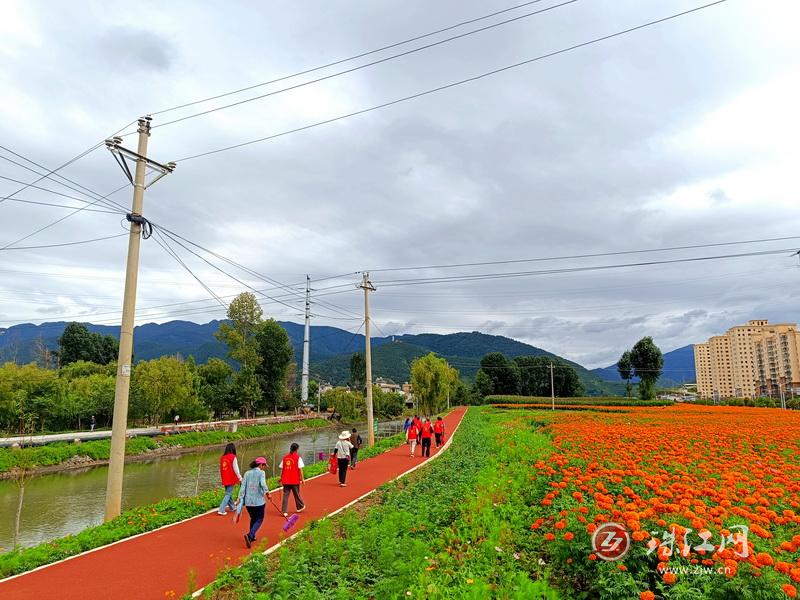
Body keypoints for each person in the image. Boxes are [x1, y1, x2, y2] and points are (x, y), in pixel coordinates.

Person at [237, 456, 271, 548]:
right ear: (260, 464)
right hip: (259, 501)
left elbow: (243, 487)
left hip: (248, 502)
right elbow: (263, 484)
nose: (264, 467)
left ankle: (252, 536)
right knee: (259, 518)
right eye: (263, 465)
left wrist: (239, 498)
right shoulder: (261, 473)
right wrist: (268, 493)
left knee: (253, 518)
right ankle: (250, 535)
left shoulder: (247, 473)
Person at [280, 443, 306, 516]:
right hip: (294, 480)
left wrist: (281, 477)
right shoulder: (298, 458)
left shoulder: (285, 458)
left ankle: (284, 511)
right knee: (296, 494)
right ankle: (300, 507)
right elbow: (300, 469)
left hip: (285, 480)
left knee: (286, 495)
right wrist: (302, 479)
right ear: (297, 449)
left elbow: (282, 469)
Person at [217, 443, 242, 515]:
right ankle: (221, 509)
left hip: (224, 477)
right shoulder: (233, 457)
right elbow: (236, 469)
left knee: (228, 493)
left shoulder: (222, 457)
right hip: (231, 478)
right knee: (228, 494)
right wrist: (240, 478)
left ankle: (232, 507)